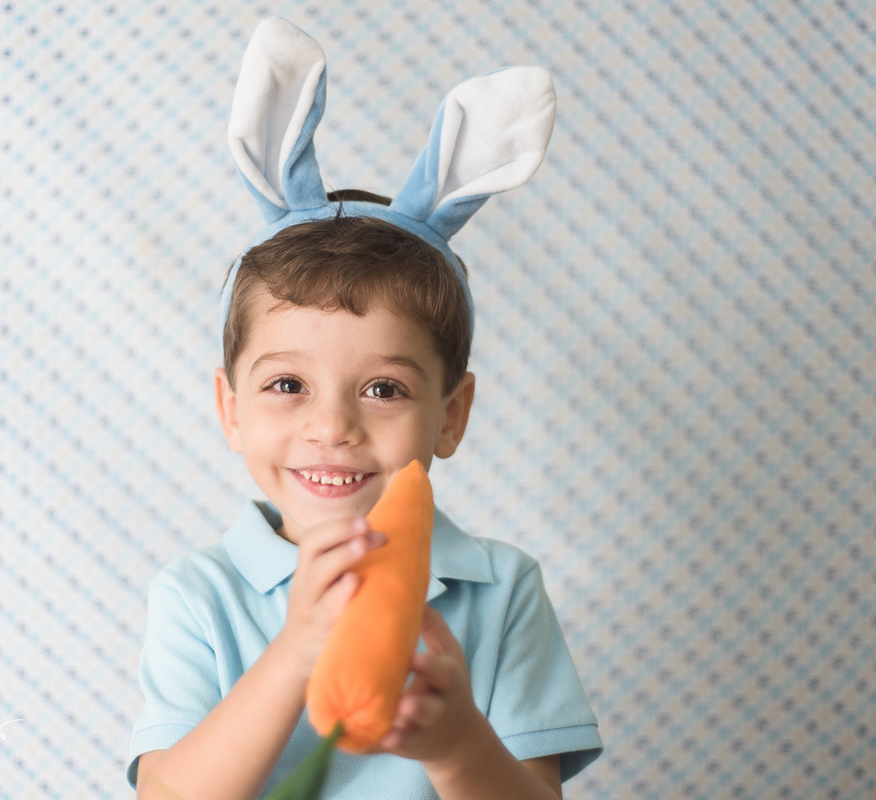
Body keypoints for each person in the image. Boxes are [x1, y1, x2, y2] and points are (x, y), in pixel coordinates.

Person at [127, 18, 601, 800]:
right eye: (288, 385)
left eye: (384, 389)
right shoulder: (201, 594)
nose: (333, 427)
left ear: (451, 415)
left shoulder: (502, 590)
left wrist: (453, 744)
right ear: (230, 407)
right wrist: (297, 648)